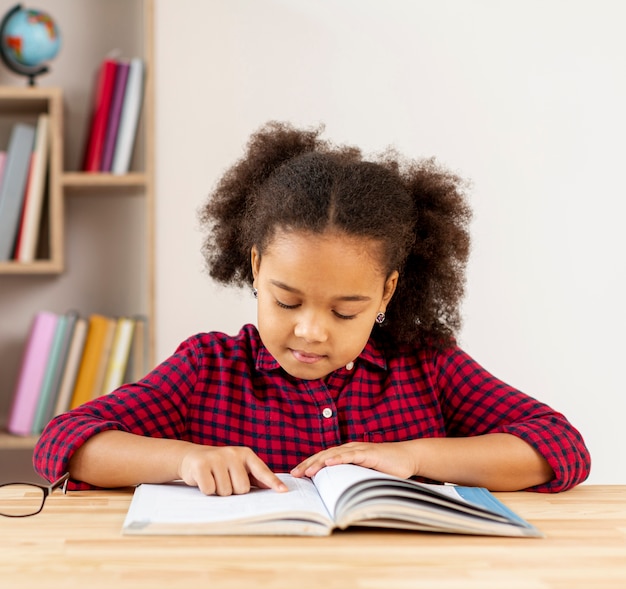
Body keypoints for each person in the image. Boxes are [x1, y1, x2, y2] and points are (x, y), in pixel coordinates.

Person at [34, 122, 591, 495]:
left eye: (345, 312)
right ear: (255, 269)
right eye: (286, 300)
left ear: (388, 293)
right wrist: (182, 460)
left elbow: (560, 446)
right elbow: (62, 443)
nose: (310, 330)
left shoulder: (426, 365)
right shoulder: (208, 368)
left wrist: (416, 457)